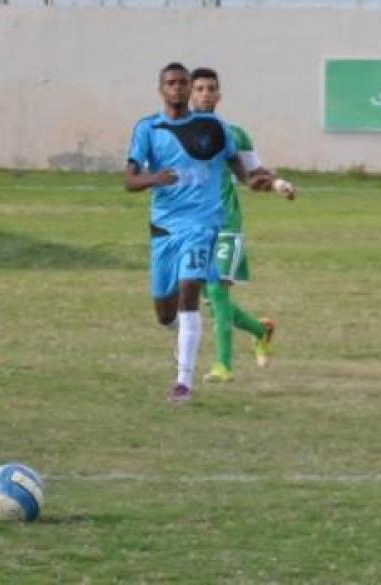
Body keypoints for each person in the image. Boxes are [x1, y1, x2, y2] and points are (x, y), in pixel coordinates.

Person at [124, 62, 271, 402]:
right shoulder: (148, 128)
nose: (177, 88)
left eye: (183, 83)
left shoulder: (213, 127)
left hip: (203, 225)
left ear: (189, 88)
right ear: (161, 89)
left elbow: (235, 162)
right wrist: (154, 178)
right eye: (171, 83)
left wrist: (251, 181)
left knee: (190, 290)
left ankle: (183, 383)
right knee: (165, 314)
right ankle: (181, 336)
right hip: (164, 229)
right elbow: (129, 180)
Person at [189, 67, 297, 383]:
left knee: (216, 289)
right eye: (199, 89)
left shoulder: (234, 135)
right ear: (189, 94)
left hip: (227, 223)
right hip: (193, 227)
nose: (205, 94)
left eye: (211, 89)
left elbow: (254, 173)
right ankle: (261, 330)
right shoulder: (175, 133)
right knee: (212, 301)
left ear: (219, 95)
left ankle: (223, 366)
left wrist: (277, 184)